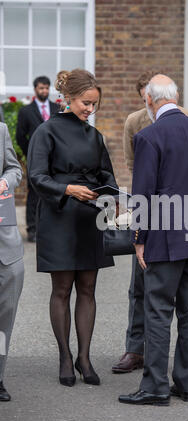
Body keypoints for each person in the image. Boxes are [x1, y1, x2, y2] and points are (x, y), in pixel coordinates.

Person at [119, 75, 188, 406]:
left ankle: (154, 388)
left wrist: (139, 238)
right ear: (175, 97)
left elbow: (144, 195)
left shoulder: (148, 136)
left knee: (158, 311)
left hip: (164, 238)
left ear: (149, 101)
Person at [27, 69, 118, 388]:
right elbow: (36, 176)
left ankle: (85, 357)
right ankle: (65, 357)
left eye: (95, 105)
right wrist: (68, 190)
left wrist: (113, 194)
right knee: (62, 289)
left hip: (89, 218)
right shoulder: (46, 131)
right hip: (59, 217)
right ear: (68, 98)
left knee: (89, 289)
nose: (90, 110)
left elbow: (107, 174)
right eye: (85, 103)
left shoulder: (94, 136)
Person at [16, 76, 60, 243]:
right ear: (35, 89)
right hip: (35, 160)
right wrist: (32, 153)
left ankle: (52, 228)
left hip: (56, 159)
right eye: (41, 88)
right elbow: (20, 136)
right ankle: (32, 230)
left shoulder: (57, 108)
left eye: (47, 88)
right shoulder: (25, 112)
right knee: (34, 193)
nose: (45, 91)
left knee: (55, 191)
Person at [0, 122, 24, 402]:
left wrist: (6, 181)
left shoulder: (2, 130)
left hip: (5, 242)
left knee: (4, 313)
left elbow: (14, 168)